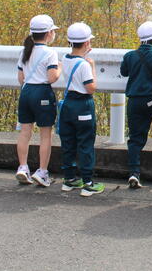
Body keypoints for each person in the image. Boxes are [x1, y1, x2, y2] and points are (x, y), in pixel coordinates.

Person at [121, 20, 152, 189]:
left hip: (134, 101)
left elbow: (123, 72)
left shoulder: (129, 56)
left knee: (135, 139)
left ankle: (134, 173)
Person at [58, 22, 104, 196]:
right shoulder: (84, 65)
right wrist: (92, 67)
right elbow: (90, 88)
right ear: (86, 43)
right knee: (85, 143)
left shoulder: (65, 59)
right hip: (83, 105)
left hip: (68, 103)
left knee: (68, 142)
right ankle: (88, 183)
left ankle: (69, 179)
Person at [15, 14, 61, 187]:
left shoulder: (24, 51)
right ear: (49, 33)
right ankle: (42, 171)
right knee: (45, 134)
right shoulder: (50, 53)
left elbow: (21, 78)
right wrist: (60, 68)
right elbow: (52, 78)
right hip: (42, 92)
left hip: (26, 92)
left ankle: (23, 167)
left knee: (25, 132)